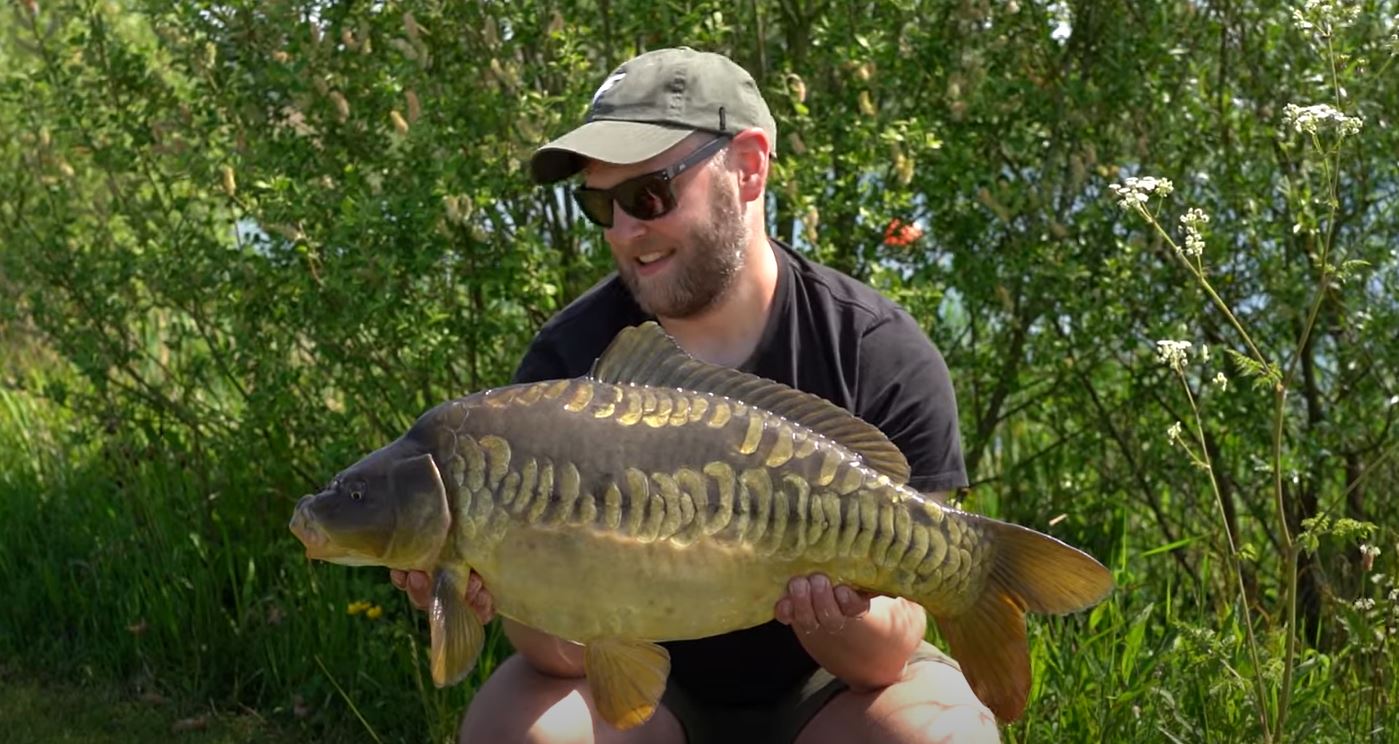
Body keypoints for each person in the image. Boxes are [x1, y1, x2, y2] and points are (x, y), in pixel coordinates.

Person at [391, 47, 1000, 743]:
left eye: (648, 195)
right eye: (599, 204)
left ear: (747, 167)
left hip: (831, 688)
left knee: (937, 735)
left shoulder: (874, 352)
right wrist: (499, 587)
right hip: (644, 691)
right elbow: (555, 656)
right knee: (517, 732)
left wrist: (836, 614)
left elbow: (886, 658)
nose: (624, 231)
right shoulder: (566, 365)